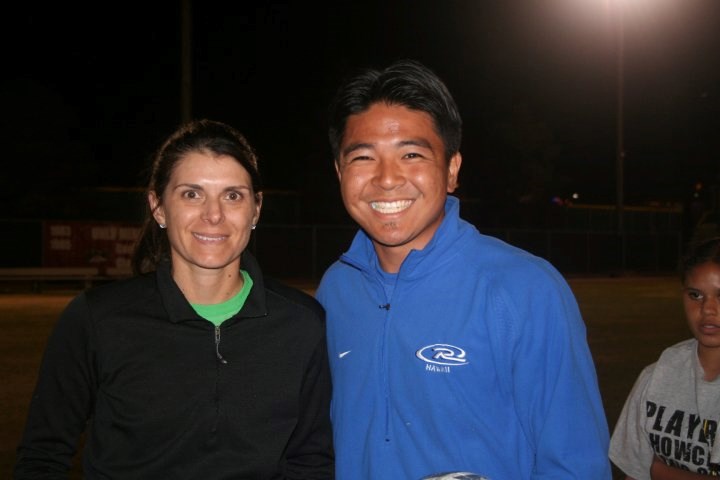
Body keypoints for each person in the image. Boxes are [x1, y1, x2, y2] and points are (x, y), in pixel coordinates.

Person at [315, 58, 611, 479]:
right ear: (340, 172)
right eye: (363, 157)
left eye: (412, 154)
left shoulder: (525, 289)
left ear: (452, 169)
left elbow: (574, 462)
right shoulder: (335, 290)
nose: (386, 179)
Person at [14, 119, 334, 479]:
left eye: (233, 195)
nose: (213, 215)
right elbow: (42, 457)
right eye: (191, 194)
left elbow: (310, 461)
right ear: (158, 206)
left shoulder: (302, 324)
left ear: (256, 209)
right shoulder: (97, 320)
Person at [610, 236, 720, 479]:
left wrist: (658, 470)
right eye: (695, 295)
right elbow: (634, 473)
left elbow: (647, 469)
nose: (708, 309)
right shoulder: (657, 375)